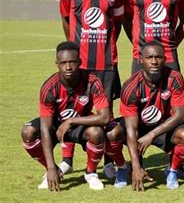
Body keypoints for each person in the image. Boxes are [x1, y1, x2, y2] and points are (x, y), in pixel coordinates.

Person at [20, 42, 123, 191]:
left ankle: (91, 173)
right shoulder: (49, 87)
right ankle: (55, 170)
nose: (68, 67)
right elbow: (45, 128)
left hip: (81, 125)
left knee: (97, 133)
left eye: (72, 62)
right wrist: (50, 167)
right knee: (27, 132)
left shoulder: (92, 81)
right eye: (63, 63)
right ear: (57, 64)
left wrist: (71, 121)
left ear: (79, 62)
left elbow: (105, 117)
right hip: (56, 126)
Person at [59, 0, 123, 179]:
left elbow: (116, 24)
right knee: (73, 109)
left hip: (106, 63)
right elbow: (66, 18)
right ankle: (67, 160)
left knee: (106, 114)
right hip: (80, 64)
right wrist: (75, 51)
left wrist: (106, 46)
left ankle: (107, 162)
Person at [105, 42, 184, 191]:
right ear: (140, 60)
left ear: (165, 58)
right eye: (149, 57)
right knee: (111, 134)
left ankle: (172, 170)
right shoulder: (130, 86)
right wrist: (136, 167)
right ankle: (123, 168)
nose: (154, 61)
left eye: (158, 57)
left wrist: (151, 135)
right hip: (138, 127)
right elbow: (131, 129)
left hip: (163, 126)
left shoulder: (174, 78)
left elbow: (180, 116)